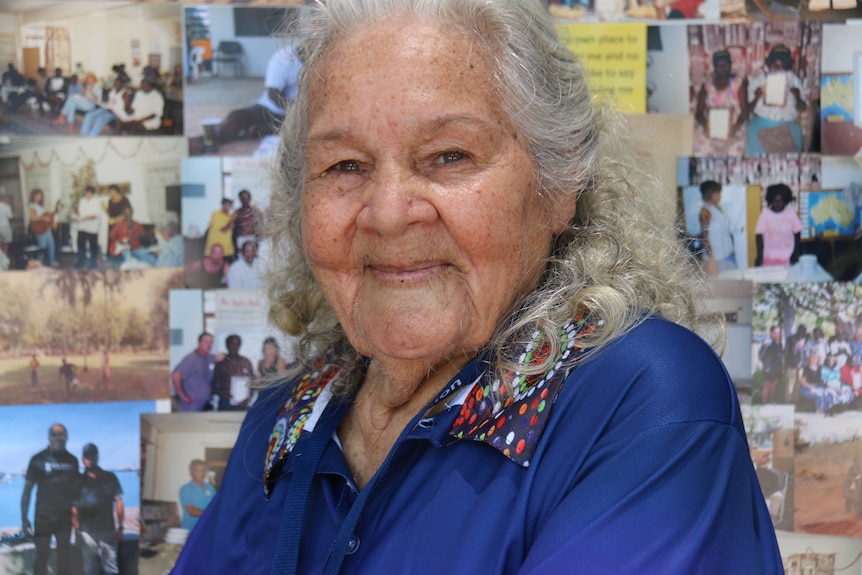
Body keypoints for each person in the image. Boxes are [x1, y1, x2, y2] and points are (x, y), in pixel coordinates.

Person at [174, 2, 782, 573]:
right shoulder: (286, 418)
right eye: (344, 166)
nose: (387, 213)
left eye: (448, 156)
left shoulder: (644, 402)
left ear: (557, 183)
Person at [21, 423, 79, 575]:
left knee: (64, 558)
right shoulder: (37, 459)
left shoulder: (72, 461)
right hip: (43, 519)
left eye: (62, 434)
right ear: (49, 437)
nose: (58, 438)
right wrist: (24, 518)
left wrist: (79, 518)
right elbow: (27, 491)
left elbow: (77, 493)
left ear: (67, 437)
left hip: (65, 520)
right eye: (54, 434)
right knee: (42, 557)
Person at [218, 44, 302, 144]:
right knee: (238, 117)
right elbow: (273, 94)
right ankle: (213, 138)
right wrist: (296, 109)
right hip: (272, 110)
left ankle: (265, 130)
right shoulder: (285, 57)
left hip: (301, 118)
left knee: (305, 128)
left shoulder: (322, 60)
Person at [72, 443, 124, 575]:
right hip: (86, 534)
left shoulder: (110, 477)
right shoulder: (78, 481)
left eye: (93, 456)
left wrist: (121, 528)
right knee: (90, 570)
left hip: (108, 532)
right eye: (87, 457)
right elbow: (74, 509)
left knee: (110, 569)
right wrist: (77, 532)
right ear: (83, 459)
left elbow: (119, 502)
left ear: (97, 457)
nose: (90, 459)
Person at [746, 45, 808, 155]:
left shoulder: (793, 80)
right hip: (761, 122)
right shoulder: (759, 79)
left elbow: (803, 107)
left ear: (788, 67)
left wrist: (797, 97)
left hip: (787, 123)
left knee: (789, 155)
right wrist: (756, 97)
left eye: (782, 66)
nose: (778, 69)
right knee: (757, 153)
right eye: (775, 65)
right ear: (769, 65)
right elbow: (748, 109)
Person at [694, 50, 747, 157]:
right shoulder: (707, 85)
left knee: (735, 152)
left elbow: (745, 111)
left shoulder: (738, 83)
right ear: (714, 66)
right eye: (719, 65)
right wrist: (707, 127)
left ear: (730, 65)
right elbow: (698, 113)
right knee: (700, 151)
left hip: (734, 124)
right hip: (710, 124)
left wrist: (735, 128)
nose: (723, 68)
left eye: (726, 65)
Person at [754, 183, 802, 268]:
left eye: (781, 201)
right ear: (770, 200)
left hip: (788, 258)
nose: (778, 204)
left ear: (786, 200)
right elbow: (759, 237)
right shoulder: (765, 215)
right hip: (769, 258)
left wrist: (795, 254)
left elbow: (797, 234)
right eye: (775, 201)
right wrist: (759, 256)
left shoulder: (791, 214)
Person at [698, 180, 735, 275]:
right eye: (716, 193)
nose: (719, 196)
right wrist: (711, 260)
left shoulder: (719, 209)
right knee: (719, 287)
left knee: (733, 284)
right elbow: (705, 237)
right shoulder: (705, 212)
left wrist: (732, 250)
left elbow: (727, 232)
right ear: (709, 194)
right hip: (715, 259)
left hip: (727, 255)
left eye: (719, 193)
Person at [172, 332, 217, 412]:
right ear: (199, 343)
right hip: (191, 406)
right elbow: (175, 375)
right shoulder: (192, 358)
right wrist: (184, 397)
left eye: (211, 342)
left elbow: (217, 358)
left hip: (202, 405)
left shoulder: (206, 358)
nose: (209, 345)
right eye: (206, 342)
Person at [211, 334, 255, 411]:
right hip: (225, 402)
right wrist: (225, 394)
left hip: (242, 402)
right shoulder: (221, 363)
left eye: (237, 344)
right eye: (232, 344)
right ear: (227, 345)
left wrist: (248, 397)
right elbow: (214, 385)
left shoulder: (245, 361)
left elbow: (253, 382)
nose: (234, 347)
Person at [179, 460, 217, 531]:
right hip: (190, 530)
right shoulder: (186, 489)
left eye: (203, 471)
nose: (202, 474)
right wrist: (212, 514)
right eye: (198, 471)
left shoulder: (210, 488)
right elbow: (192, 511)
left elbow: (216, 505)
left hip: (207, 528)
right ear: (191, 472)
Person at [74, 185, 102, 269]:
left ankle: (93, 263)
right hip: (82, 227)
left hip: (92, 227)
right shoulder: (82, 201)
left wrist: (85, 218)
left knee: (93, 246)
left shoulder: (96, 202)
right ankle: (80, 261)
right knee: (80, 245)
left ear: (92, 193)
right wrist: (75, 214)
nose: (87, 194)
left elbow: (96, 215)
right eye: (86, 192)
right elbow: (80, 212)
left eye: (89, 193)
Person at [29, 188, 57, 266]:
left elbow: (44, 215)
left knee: (51, 245)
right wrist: (44, 218)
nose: (39, 197)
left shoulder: (39, 206)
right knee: (42, 247)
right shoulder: (33, 205)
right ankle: (39, 263)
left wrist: (52, 213)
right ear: (33, 196)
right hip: (40, 229)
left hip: (46, 228)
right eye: (37, 196)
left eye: (40, 196)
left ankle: (52, 262)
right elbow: (32, 218)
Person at [759, 326, 783, 404]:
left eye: (778, 333)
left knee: (773, 387)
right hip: (768, 369)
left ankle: (771, 402)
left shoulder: (779, 343)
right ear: (771, 333)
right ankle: (764, 404)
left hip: (777, 369)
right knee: (767, 387)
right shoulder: (767, 343)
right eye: (775, 333)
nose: (777, 334)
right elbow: (760, 356)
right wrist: (767, 364)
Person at [0, 193, 12, 257]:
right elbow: (10, 217)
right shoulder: (7, 206)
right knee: (6, 244)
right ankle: (4, 259)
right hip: (5, 226)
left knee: (0, 244)